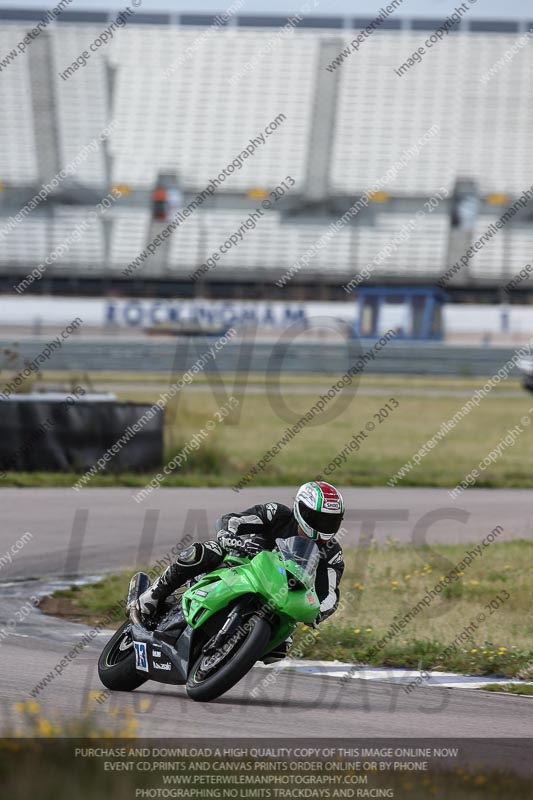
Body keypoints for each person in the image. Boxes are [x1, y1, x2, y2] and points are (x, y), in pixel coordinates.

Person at [136, 481, 345, 660]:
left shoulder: (332, 552)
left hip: (280, 593)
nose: (325, 526)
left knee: (280, 646)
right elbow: (233, 520)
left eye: (331, 521)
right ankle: (152, 596)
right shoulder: (277, 514)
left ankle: (235, 652)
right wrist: (228, 534)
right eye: (319, 518)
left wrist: (318, 612)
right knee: (204, 551)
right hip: (241, 564)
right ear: (302, 510)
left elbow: (330, 595)